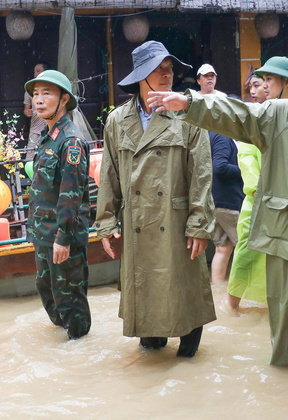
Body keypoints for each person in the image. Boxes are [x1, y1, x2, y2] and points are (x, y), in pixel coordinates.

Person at [149, 37, 288, 371]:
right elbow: (237, 114)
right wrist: (190, 104)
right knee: (282, 313)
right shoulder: (279, 113)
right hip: (284, 230)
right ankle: (281, 371)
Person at [95, 40, 216, 358]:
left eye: (169, 68)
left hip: (174, 222)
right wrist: (106, 223)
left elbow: (201, 175)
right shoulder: (117, 121)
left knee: (185, 298)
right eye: (158, 68)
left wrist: (199, 225)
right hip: (138, 222)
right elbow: (108, 176)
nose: (166, 74)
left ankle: (187, 372)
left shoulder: (189, 116)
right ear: (140, 76)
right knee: (148, 330)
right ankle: (151, 347)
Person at [225, 61, 288, 313]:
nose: (262, 86)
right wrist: (259, 186)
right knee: (246, 251)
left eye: (269, 80)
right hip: (259, 196)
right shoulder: (260, 113)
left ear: (286, 82)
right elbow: (246, 155)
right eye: (261, 80)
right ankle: (232, 307)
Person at [24, 70, 91, 340]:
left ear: (64, 99)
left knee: (69, 300)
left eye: (46, 93)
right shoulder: (46, 136)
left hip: (63, 238)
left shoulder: (71, 141)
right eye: (36, 94)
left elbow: (70, 194)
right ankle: (62, 349)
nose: (38, 100)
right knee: (47, 290)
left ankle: (80, 354)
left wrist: (63, 238)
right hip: (43, 234)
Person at [209, 130, 244, 285]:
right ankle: (237, 299)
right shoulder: (222, 136)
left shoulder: (208, 134)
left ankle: (218, 294)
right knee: (247, 250)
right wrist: (245, 169)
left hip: (214, 202)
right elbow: (220, 167)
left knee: (222, 248)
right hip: (228, 203)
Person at [23, 63, 49, 160]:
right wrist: (27, 112)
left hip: (50, 129)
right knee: (31, 159)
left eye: (38, 71)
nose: (35, 74)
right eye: (34, 72)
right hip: (35, 130)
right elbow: (26, 109)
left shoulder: (52, 89)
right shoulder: (30, 90)